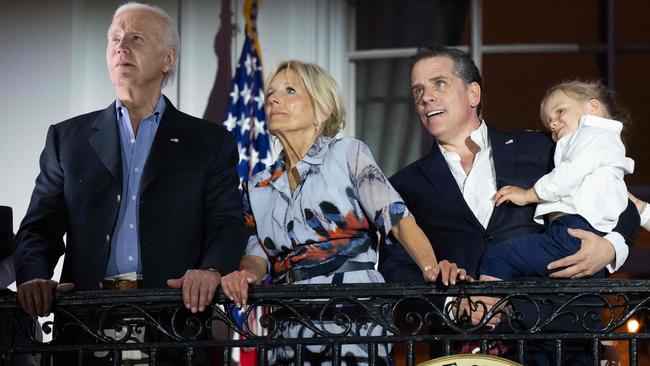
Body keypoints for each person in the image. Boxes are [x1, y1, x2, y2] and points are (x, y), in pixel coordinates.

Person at [378, 46, 639, 364]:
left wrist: (611, 249)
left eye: (439, 84)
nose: (425, 96)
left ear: (473, 93)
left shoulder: (543, 148)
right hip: (465, 351)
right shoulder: (403, 184)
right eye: (418, 89)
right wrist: (451, 306)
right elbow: (394, 269)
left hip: (561, 340)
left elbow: (618, 198)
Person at [14, 0, 245, 336]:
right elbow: (39, 228)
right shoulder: (67, 139)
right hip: (86, 324)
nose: (121, 46)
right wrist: (34, 276)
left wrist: (210, 269)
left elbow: (227, 222)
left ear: (168, 59)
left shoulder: (210, 142)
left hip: (175, 323)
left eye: (136, 38)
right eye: (115, 39)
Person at [220, 60, 467, 365]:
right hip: (288, 321)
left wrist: (431, 268)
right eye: (271, 93)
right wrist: (245, 274)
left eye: (289, 90)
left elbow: (397, 219)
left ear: (322, 110)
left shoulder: (347, 153)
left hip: (352, 315)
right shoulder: (258, 184)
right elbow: (257, 253)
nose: (272, 99)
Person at [480, 80, 634, 281]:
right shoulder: (601, 144)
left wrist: (528, 195)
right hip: (580, 234)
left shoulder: (594, 134)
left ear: (593, 107)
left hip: (573, 233)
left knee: (498, 257)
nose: (552, 123)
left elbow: (570, 172)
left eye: (560, 111)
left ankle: (485, 311)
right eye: (548, 122)